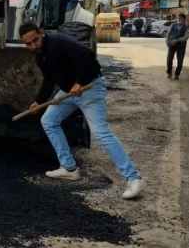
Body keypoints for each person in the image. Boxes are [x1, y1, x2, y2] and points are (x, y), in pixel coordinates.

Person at [19, 22, 146, 199]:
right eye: (28, 44)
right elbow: (49, 79)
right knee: (48, 120)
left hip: (89, 87)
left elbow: (89, 56)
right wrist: (38, 101)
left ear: (41, 33)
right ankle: (69, 168)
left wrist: (80, 81)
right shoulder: (41, 56)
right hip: (69, 92)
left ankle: (134, 178)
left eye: (35, 40)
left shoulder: (59, 41)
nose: (33, 46)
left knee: (101, 132)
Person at [165, 14, 189, 80]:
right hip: (172, 44)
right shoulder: (173, 25)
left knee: (180, 60)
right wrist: (167, 42)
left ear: (184, 19)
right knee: (169, 59)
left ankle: (177, 74)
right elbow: (168, 34)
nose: (179, 19)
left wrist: (178, 40)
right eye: (178, 18)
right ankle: (169, 72)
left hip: (181, 46)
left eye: (181, 18)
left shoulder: (185, 27)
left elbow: (186, 37)